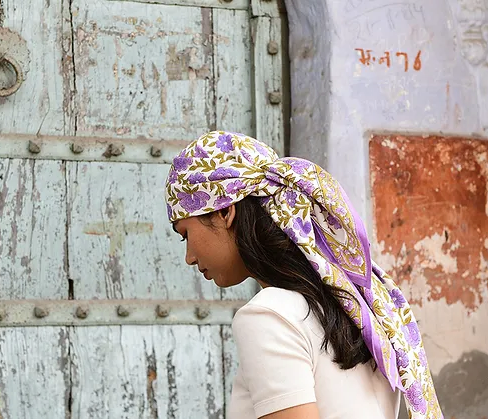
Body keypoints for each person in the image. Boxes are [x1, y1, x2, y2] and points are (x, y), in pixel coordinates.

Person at [165, 131, 443, 419]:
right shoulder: (355, 308)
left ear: (225, 213)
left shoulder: (269, 314)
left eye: (186, 234)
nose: (189, 257)